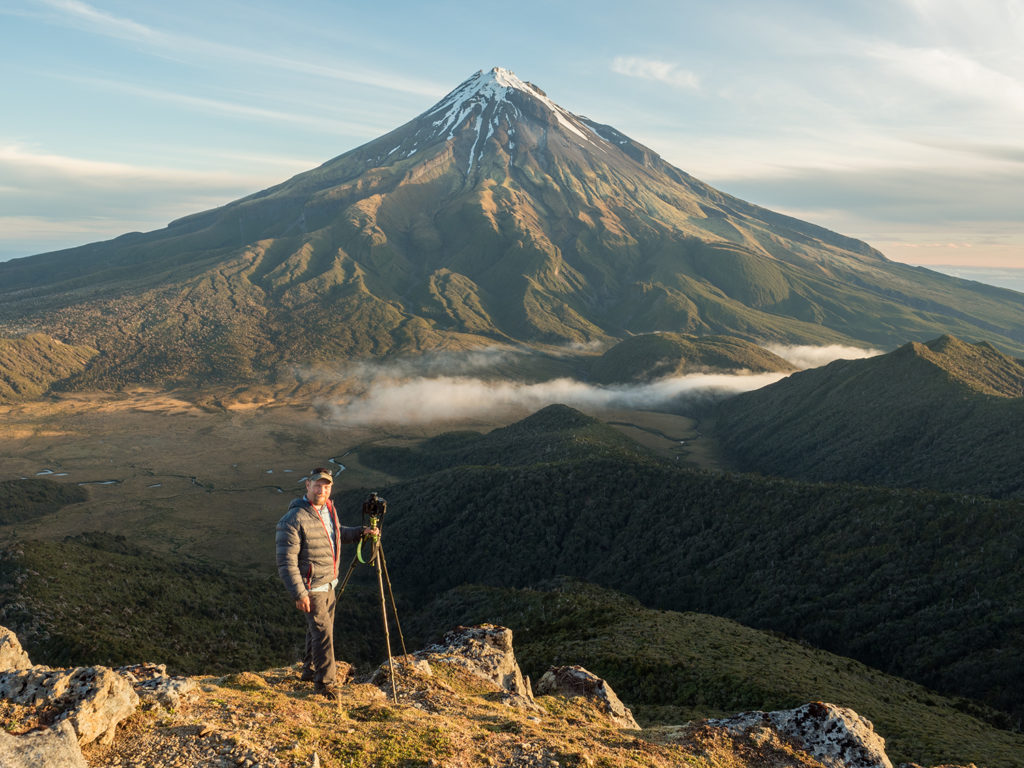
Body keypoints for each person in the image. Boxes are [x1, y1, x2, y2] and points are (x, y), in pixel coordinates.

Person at [275, 466, 376, 700]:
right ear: (307, 485)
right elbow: (286, 562)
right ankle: (325, 685)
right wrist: (300, 593)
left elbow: (335, 534)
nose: (322, 490)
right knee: (323, 634)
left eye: (326, 486)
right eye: (317, 485)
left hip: (329, 583)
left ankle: (310, 670)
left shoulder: (328, 509)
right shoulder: (293, 520)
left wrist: (361, 533)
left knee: (318, 631)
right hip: (312, 588)